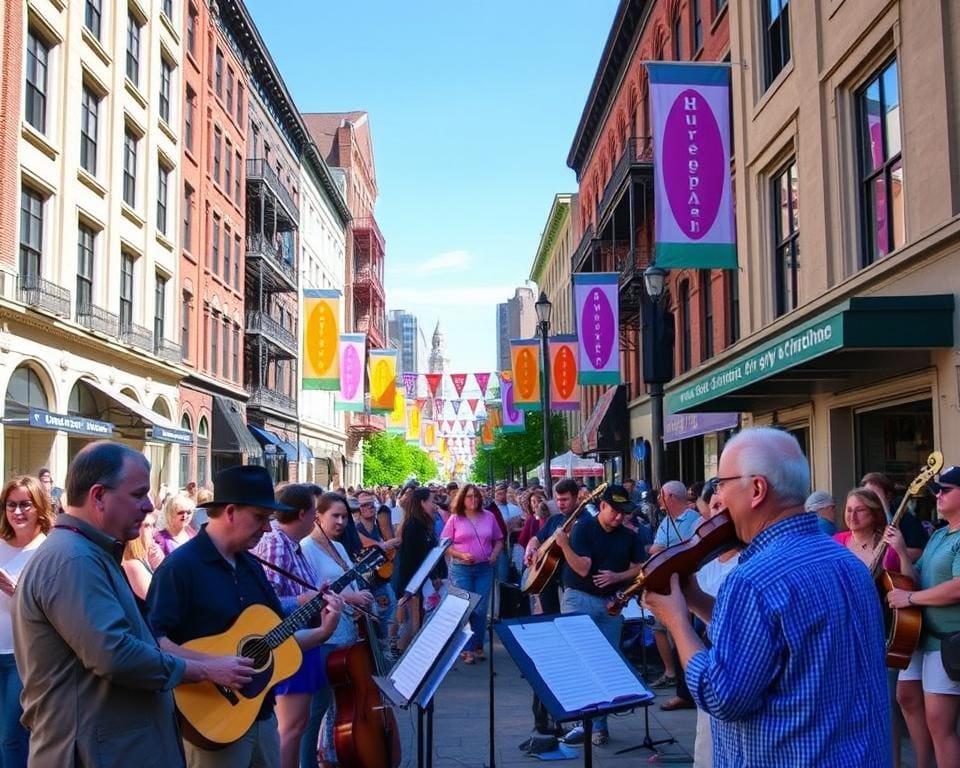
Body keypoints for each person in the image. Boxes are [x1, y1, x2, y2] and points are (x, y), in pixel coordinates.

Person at [644, 427, 890, 767]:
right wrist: (696, 598)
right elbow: (770, 643)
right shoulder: (846, 560)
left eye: (722, 484)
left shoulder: (752, 579)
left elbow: (721, 696)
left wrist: (675, 622)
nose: (718, 500)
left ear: (757, 489)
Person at [15, 441, 252, 768]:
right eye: (139, 494)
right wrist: (203, 670)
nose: (150, 506)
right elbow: (114, 654)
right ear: (98, 496)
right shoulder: (73, 559)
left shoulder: (88, 553)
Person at [147, 465, 342, 768]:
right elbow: (154, 643)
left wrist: (323, 632)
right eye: (260, 518)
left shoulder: (252, 566)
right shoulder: (180, 568)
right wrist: (211, 668)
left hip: (261, 715)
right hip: (210, 720)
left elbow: (277, 641)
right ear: (230, 512)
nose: (267, 528)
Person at [250, 483, 333, 768]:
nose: (317, 519)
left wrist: (317, 597)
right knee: (290, 727)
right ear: (301, 514)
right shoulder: (276, 542)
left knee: (299, 725)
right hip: (288, 642)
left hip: (303, 640)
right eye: (315, 513)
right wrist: (302, 600)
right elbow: (267, 605)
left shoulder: (292, 545)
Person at [557, 485, 644, 747]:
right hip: (580, 597)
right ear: (602, 506)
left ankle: (599, 726)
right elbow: (583, 569)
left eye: (624, 513)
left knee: (606, 662)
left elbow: (640, 566)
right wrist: (563, 545)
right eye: (615, 512)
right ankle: (580, 721)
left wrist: (617, 577)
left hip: (610, 605)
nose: (620, 518)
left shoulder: (628, 536)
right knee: (581, 660)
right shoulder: (584, 527)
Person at [886, 464, 960, 768]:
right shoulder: (940, 534)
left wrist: (910, 598)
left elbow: (957, 588)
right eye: (936, 490)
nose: (938, 495)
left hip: (948, 641)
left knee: (940, 723)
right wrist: (902, 552)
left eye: (946, 490)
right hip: (921, 636)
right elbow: (917, 576)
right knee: (905, 695)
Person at [300, 492, 375, 768]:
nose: (342, 521)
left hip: (346, 632)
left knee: (340, 702)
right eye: (336, 516)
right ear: (318, 516)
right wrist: (351, 599)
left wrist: (359, 597)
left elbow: (348, 582)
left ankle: (332, 754)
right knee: (319, 703)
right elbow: (314, 593)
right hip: (325, 634)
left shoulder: (339, 546)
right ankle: (309, 760)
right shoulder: (307, 548)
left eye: (345, 516)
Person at [0, 475, 54, 767]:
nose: (17, 512)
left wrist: (14, 591)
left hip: (22, 658)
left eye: (25, 505)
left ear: (39, 508)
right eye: (11, 505)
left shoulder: (49, 550)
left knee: (12, 737)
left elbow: (55, 612)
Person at [688, 481, 740, 768]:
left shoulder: (751, 563)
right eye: (712, 508)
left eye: (721, 506)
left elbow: (730, 624)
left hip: (728, 671)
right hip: (712, 656)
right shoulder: (706, 557)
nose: (712, 516)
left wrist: (678, 623)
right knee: (707, 744)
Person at [648, 480, 703, 689]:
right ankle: (672, 673)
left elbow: (690, 551)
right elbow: (656, 548)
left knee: (682, 629)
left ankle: (686, 679)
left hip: (685, 584)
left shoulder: (694, 520)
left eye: (662, 496)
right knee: (659, 627)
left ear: (671, 497)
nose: (659, 501)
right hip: (666, 582)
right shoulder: (666, 521)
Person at [443, 483, 503, 664]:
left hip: (484, 567)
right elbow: (445, 545)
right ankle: (466, 648)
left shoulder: (489, 516)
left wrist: (494, 554)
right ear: (462, 498)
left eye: (476, 496)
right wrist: (461, 554)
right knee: (465, 607)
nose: (473, 500)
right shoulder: (455, 518)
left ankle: (478, 644)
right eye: (469, 496)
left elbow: (499, 540)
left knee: (481, 608)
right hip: (462, 568)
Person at [393, 487, 444, 651]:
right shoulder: (413, 526)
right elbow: (409, 560)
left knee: (416, 623)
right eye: (432, 501)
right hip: (413, 582)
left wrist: (435, 575)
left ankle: (403, 652)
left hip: (420, 581)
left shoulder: (423, 524)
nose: (434, 505)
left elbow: (428, 555)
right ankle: (401, 653)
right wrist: (406, 591)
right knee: (413, 626)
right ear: (422, 503)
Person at [522, 478, 580, 615]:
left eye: (565, 500)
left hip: (572, 579)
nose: (560, 504)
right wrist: (531, 550)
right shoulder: (555, 519)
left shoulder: (585, 521)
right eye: (558, 500)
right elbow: (536, 538)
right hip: (547, 577)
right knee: (550, 616)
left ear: (576, 498)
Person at [863, 471, 928, 562]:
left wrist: (891, 554)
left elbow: (919, 553)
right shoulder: (864, 519)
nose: (868, 500)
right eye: (865, 495)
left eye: (874, 495)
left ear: (888, 497)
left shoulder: (907, 520)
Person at [833, 488, 901, 572]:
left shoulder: (889, 546)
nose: (852, 515)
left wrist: (903, 553)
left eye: (859, 510)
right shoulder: (836, 541)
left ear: (874, 513)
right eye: (849, 510)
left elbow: (910, 581)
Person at [122, 509, 162, 600]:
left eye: (153, 525)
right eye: (147, 526)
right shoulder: (133, 564)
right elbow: (156, 599)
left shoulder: (143, 559)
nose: (152, 531)